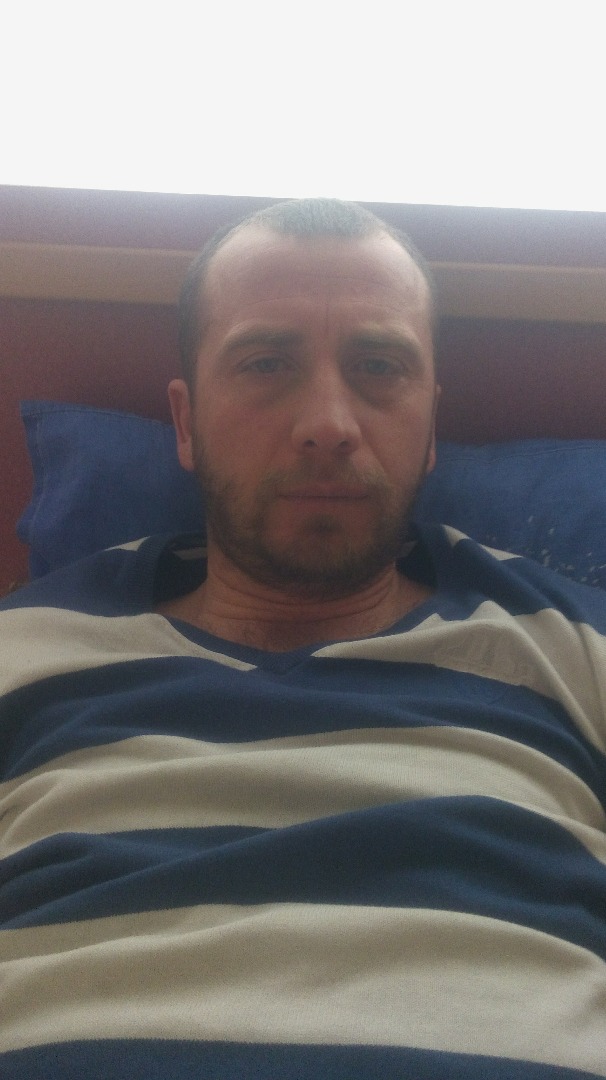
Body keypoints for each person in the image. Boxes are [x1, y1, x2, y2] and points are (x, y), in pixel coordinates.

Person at [1, 198, 605, 1079]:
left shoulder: (573, 644)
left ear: (430, 426)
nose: (329, 422)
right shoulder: (25, 644)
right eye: (266, 363)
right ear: (186, 423)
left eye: (378, 366)